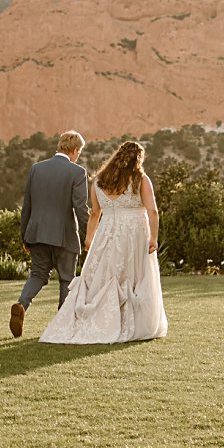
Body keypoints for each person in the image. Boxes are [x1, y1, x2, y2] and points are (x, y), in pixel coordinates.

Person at [40, 139, 167, 344]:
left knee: (105, 275)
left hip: (106, 233)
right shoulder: (140, 180)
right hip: (134, 233)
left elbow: (95, 213)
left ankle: (99, 318)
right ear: (138, 159)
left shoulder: (99, 180)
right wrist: (153, 237)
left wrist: (89, 239)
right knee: (132, 276)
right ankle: (127, 321)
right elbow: (153, 210)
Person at [11, 130, 89, 337]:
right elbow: (80, 208)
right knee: (66, 279)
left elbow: (27, 205)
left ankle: (22, 304)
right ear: (75, 150)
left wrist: (25, 236)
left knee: (38, 274)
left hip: (36, 233)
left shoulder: (36, 169)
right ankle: (61, 326)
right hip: (64, 235)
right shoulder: (77, 172)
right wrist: (90, 235)